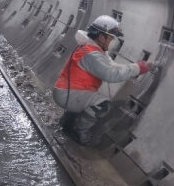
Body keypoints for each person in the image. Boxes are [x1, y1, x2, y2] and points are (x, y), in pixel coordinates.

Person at [52, 15, 152, 145]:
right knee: (102, 105)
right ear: (101, 37)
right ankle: (80, 132)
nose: (113, 41)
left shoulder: (92, 49)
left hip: (69, 91)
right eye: (111, 38)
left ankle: (66, 123)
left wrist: (136, 67)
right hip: (68, 94)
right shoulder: (91, 54)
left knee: (88, 100)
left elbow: (112, 65)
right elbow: (110, 74)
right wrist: (138, 68)